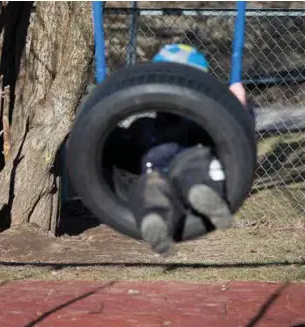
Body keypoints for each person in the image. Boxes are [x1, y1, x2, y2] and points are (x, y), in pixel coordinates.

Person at [105, 44, 254, 255]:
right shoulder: (144, 128)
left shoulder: (201, 125)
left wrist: (238, 106)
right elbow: (113, 147)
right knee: (152, 186)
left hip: (179, 168)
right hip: (161, 177)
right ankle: (156, 222)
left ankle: (202, 196)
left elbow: (236, 137)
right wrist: (98, 125)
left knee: (190, 169)